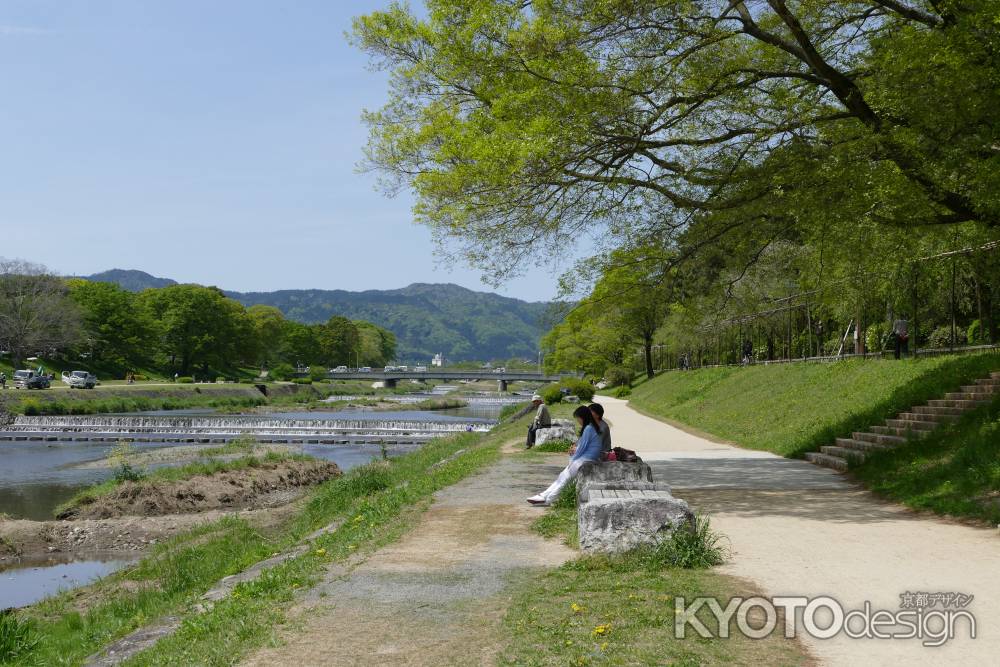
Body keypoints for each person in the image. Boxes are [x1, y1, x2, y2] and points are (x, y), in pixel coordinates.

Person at [528, 405, 603, 505]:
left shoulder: (588, 428)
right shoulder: (590, 428)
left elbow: (582, 448)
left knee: (565, 478)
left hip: (586, 460)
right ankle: (544, 495)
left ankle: (548, 499)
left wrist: (572, 459)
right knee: (562, 476)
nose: (578, 421)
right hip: (585, 458)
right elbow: (581, 446)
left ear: (583, 417)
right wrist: (574, 451)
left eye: (578, 419)